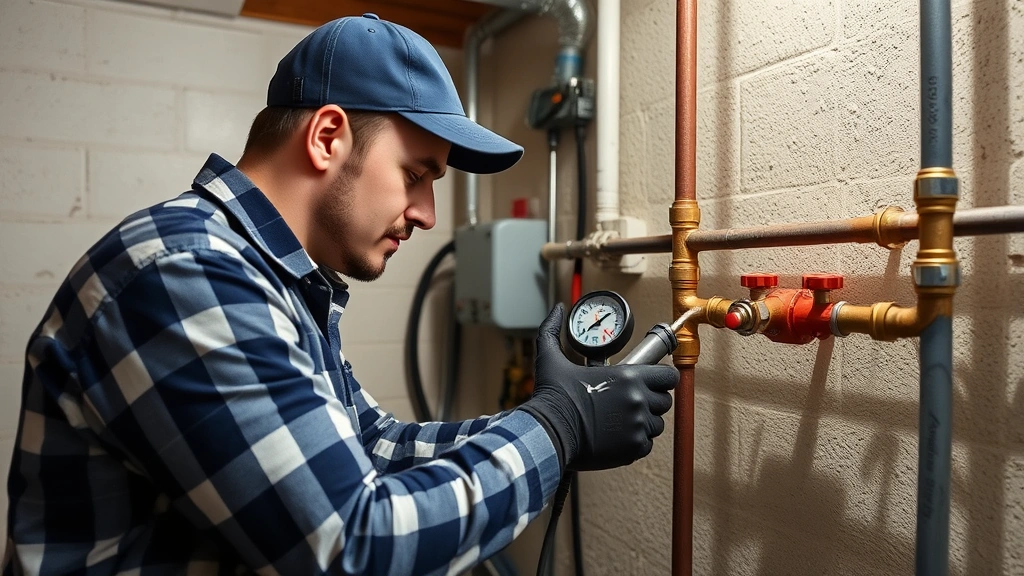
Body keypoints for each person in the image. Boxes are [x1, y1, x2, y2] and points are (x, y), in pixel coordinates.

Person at [3, 13, 677, 576]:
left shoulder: (278, 279)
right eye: (417, 174)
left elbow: (371, 444)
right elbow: (351, 545)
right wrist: (557, 428)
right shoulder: (186, 273)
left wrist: (549, 417)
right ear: (328, 137)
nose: (428, 214)